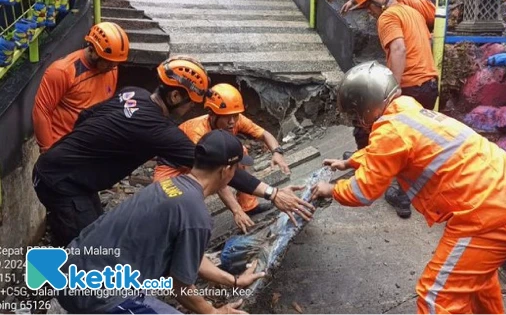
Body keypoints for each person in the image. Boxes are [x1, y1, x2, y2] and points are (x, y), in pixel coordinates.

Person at [311, 62, 506, 314]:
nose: (356, 121)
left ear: (366, 106)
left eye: (355, 114)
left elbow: (362, 191)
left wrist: (332, 189)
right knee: (476, 281)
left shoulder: (390, 131)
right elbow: (390, 152)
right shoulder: (408, 112)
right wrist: (350, 161)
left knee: (437, 297)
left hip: (490, 212)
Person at [32, 55, 314, 247]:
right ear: (176, 95)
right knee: (87, 249)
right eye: (189, 101)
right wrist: (273, 193)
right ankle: (70, 299)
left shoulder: (133, 93)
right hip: (61, 182)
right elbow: (218, 168)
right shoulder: (158, 130)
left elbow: (86, 118)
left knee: (96, 231)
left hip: (69, 173)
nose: (190, 108)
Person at [57, 130, 265, 315]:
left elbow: (192, 258)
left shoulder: (166, 187)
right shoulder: (195, 214)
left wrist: (234, 281)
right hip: (97, 296)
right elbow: (181, 287)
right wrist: (214, 312)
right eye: (236, 168)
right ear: (225, 170)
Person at [346, 0, 439, 218]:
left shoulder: (387, 16)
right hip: (429, 83)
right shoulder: (412, 11)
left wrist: (393, 90)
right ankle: (401, 188)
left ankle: (371, 170)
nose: (369, 12)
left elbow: (398, 48)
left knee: (367, 123)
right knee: (413, 140)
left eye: (368, 6)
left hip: (409, 85)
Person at [154, 83, 290, 219]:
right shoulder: (197, 133)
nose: (232, 122)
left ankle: (249, 206)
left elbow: (264, 134)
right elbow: (213, 174)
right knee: (171, 202)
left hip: (202, 163)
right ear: (212, 114)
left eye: (235, 115)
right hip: (173, 168)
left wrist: (277, 152)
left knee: (240, 152)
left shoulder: (235, 119)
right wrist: (236, 211)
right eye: (226, 117)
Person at [32, 22, 130, 153]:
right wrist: (48, 152)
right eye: (109, 62)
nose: (113, 67)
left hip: (92, 146)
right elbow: (42, 111)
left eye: (116, 63)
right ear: (94, 51)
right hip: (64, 146)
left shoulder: (111, 69)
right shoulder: (62, 71)